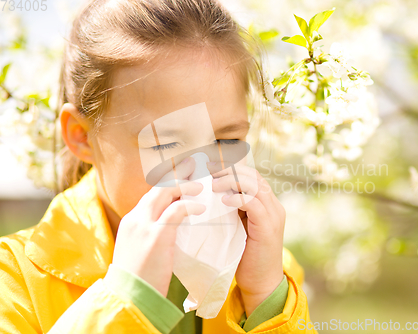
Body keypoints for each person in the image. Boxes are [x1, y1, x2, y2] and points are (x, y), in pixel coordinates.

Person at [0, 0, 317, 333]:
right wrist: (128, 300)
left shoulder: (270, 273)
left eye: (226, 141)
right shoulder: (15, 282)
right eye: (167, 144)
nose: (202, 172)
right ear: (82, 136)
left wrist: (266, 301)